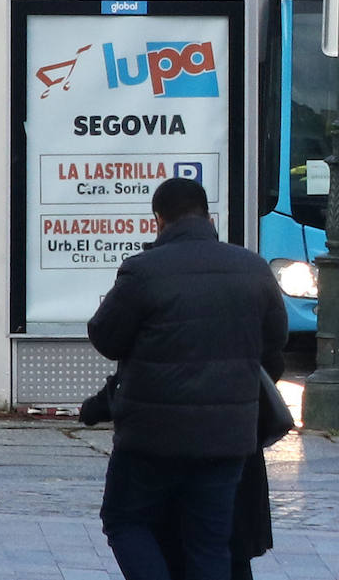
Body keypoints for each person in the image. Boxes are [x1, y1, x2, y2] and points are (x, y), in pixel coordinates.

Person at [89, 178, 287, 580]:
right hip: (227, 436)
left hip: (151, 435)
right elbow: (275, 344)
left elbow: (106, 338)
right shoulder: (252, 269)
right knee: (210, 541)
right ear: (208, 217)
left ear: (158, 221)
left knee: (125, 519)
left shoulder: (142, 272)